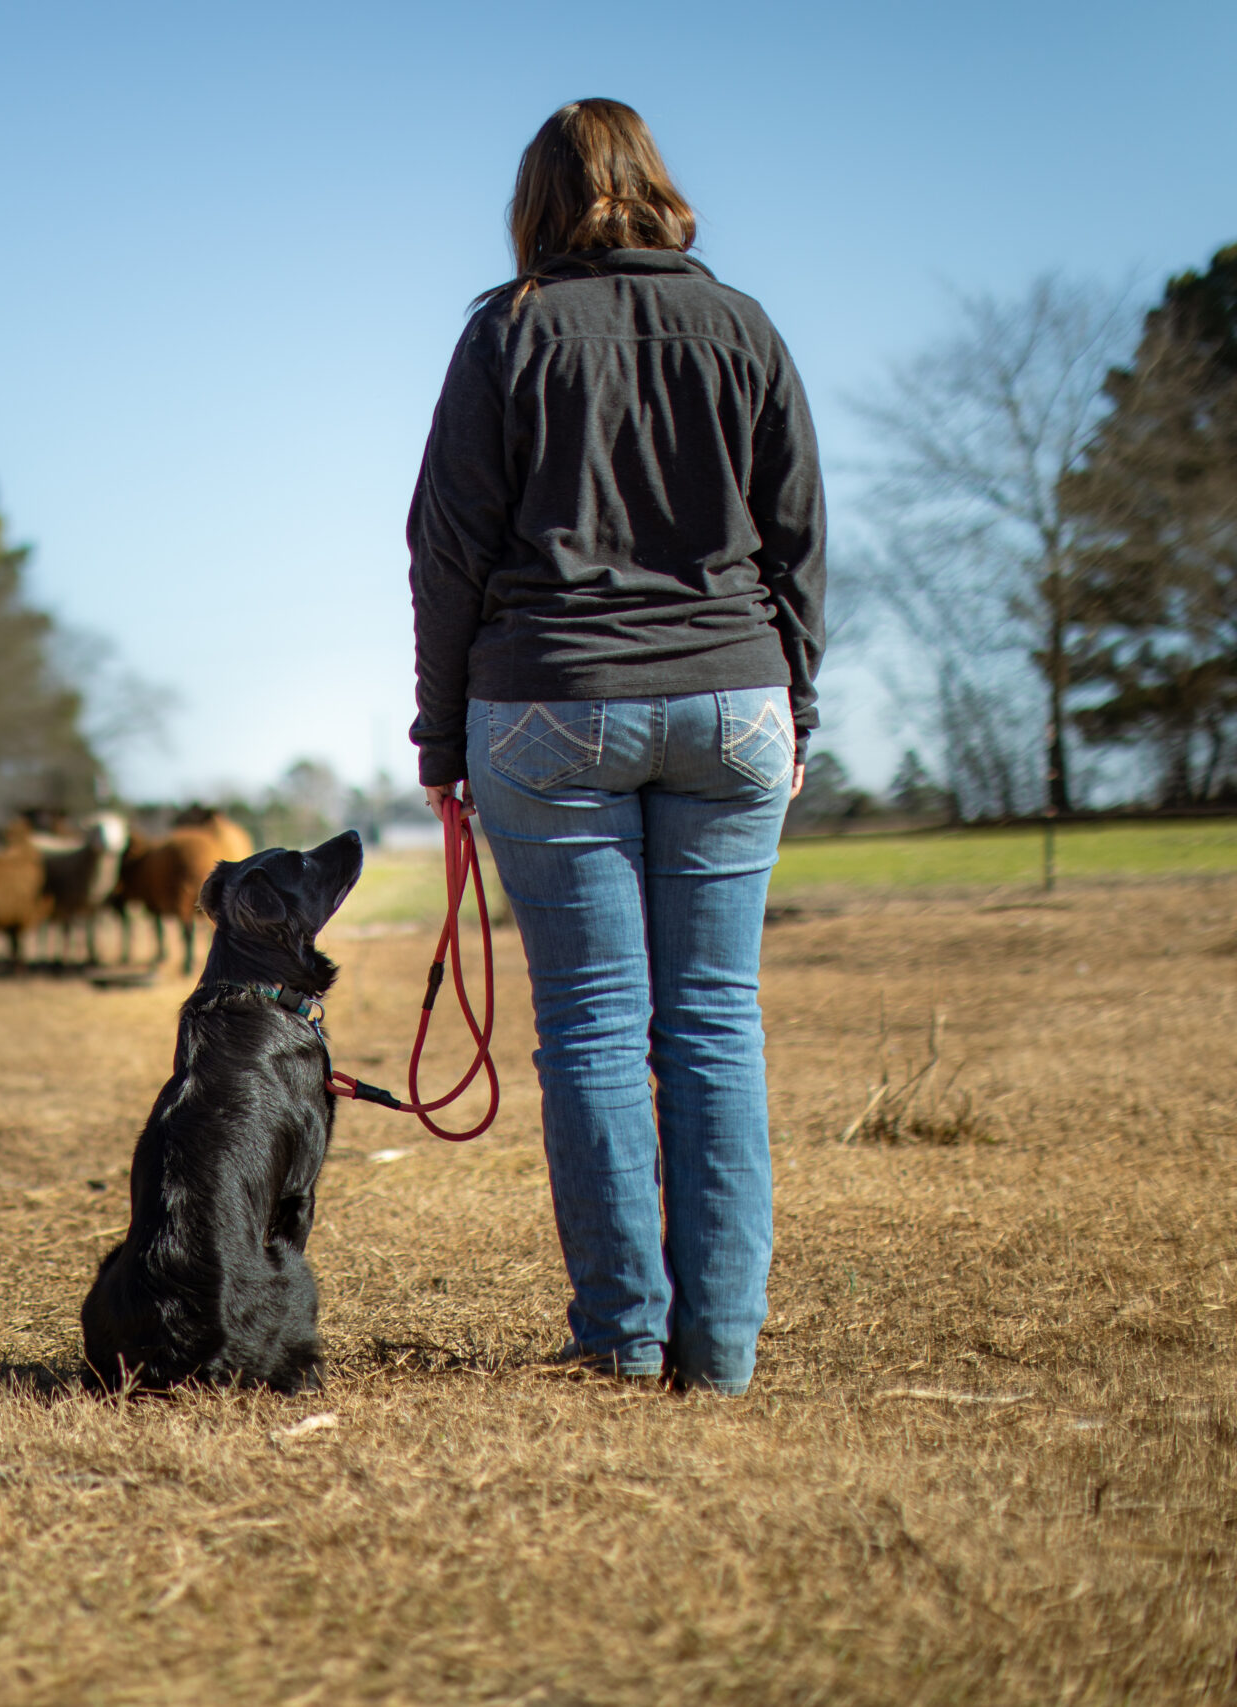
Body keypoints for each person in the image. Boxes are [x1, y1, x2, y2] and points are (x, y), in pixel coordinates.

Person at [406, 98, 823, 1395]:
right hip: (733, 692)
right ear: (658, 186)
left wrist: (440, 735)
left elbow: (447, 549)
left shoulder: (508, 333)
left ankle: (626, 1340)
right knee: (715, 1024)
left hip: (547, 702)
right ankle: (725, 1354)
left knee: (591, 1029)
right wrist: (793, 705)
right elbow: (798, 532)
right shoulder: (744, 326)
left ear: (536, 202)